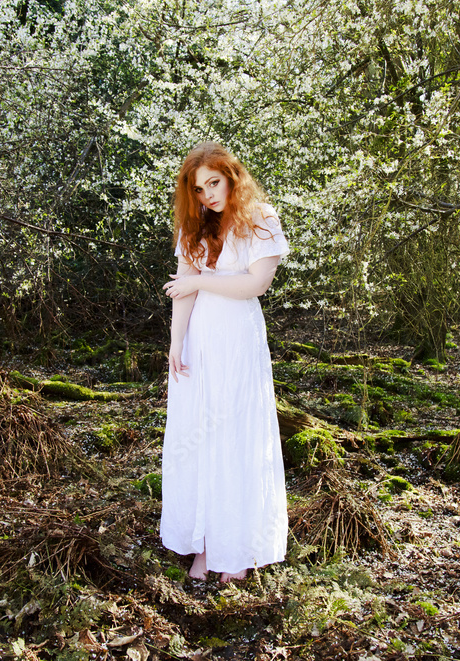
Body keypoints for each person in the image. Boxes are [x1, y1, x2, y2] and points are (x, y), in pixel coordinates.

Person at [160, 142, 289, 582]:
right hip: (199, 341)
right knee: (197, 436)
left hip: (237, 341)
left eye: (213, 183)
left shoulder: (261, 219)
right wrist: (176, 342)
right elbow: (184, 290)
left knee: (233, 433)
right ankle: (204, 543)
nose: (207, 195)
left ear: (232, 176)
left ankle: (236, 547)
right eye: (198, 189)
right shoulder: (194, 225)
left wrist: (199, 278)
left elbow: (255, 285)